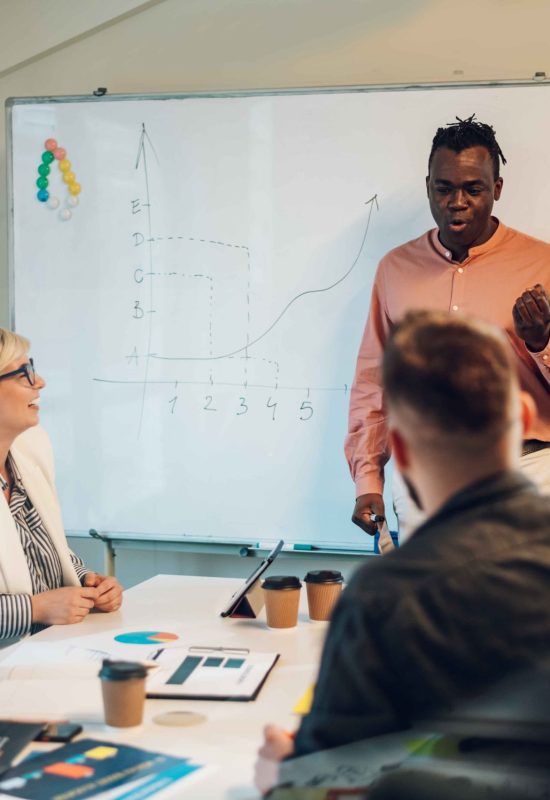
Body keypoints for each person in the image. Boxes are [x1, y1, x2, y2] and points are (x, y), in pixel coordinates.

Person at [255, 310, 550, 792]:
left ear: (401, 449)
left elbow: (325, 784)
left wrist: (282, 776)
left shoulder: (386, 597)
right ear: (524, 415)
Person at [347, 115, 550, 542]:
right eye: (444, 189)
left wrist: (540, 343)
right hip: (425, 476)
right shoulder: (395, 270)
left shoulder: (543, 266)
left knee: (524, 608)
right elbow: (373, 384)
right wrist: (368, 481)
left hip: (528, 471)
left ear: (497, 189)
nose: (457, 202)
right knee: (436, 606)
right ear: (429, 187)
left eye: (473, 189)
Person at [0, 328, 123, 644]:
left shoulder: (27, 453)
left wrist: (87, 582)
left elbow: (36, 548)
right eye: (23, 374)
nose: (39, 382)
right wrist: (34, 609)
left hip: (57, 651)